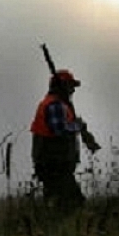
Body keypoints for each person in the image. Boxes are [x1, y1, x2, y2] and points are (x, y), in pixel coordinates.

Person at [30, 69, 94, 212]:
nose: (73, 90)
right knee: (74, 203)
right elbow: (60, 130)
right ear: (62, 86)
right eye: (70, 86)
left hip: (51, 164)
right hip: (54, 165)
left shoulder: (56, 104)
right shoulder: (55, 105)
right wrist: (78, 126)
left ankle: (51, 224)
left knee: (56, 204)